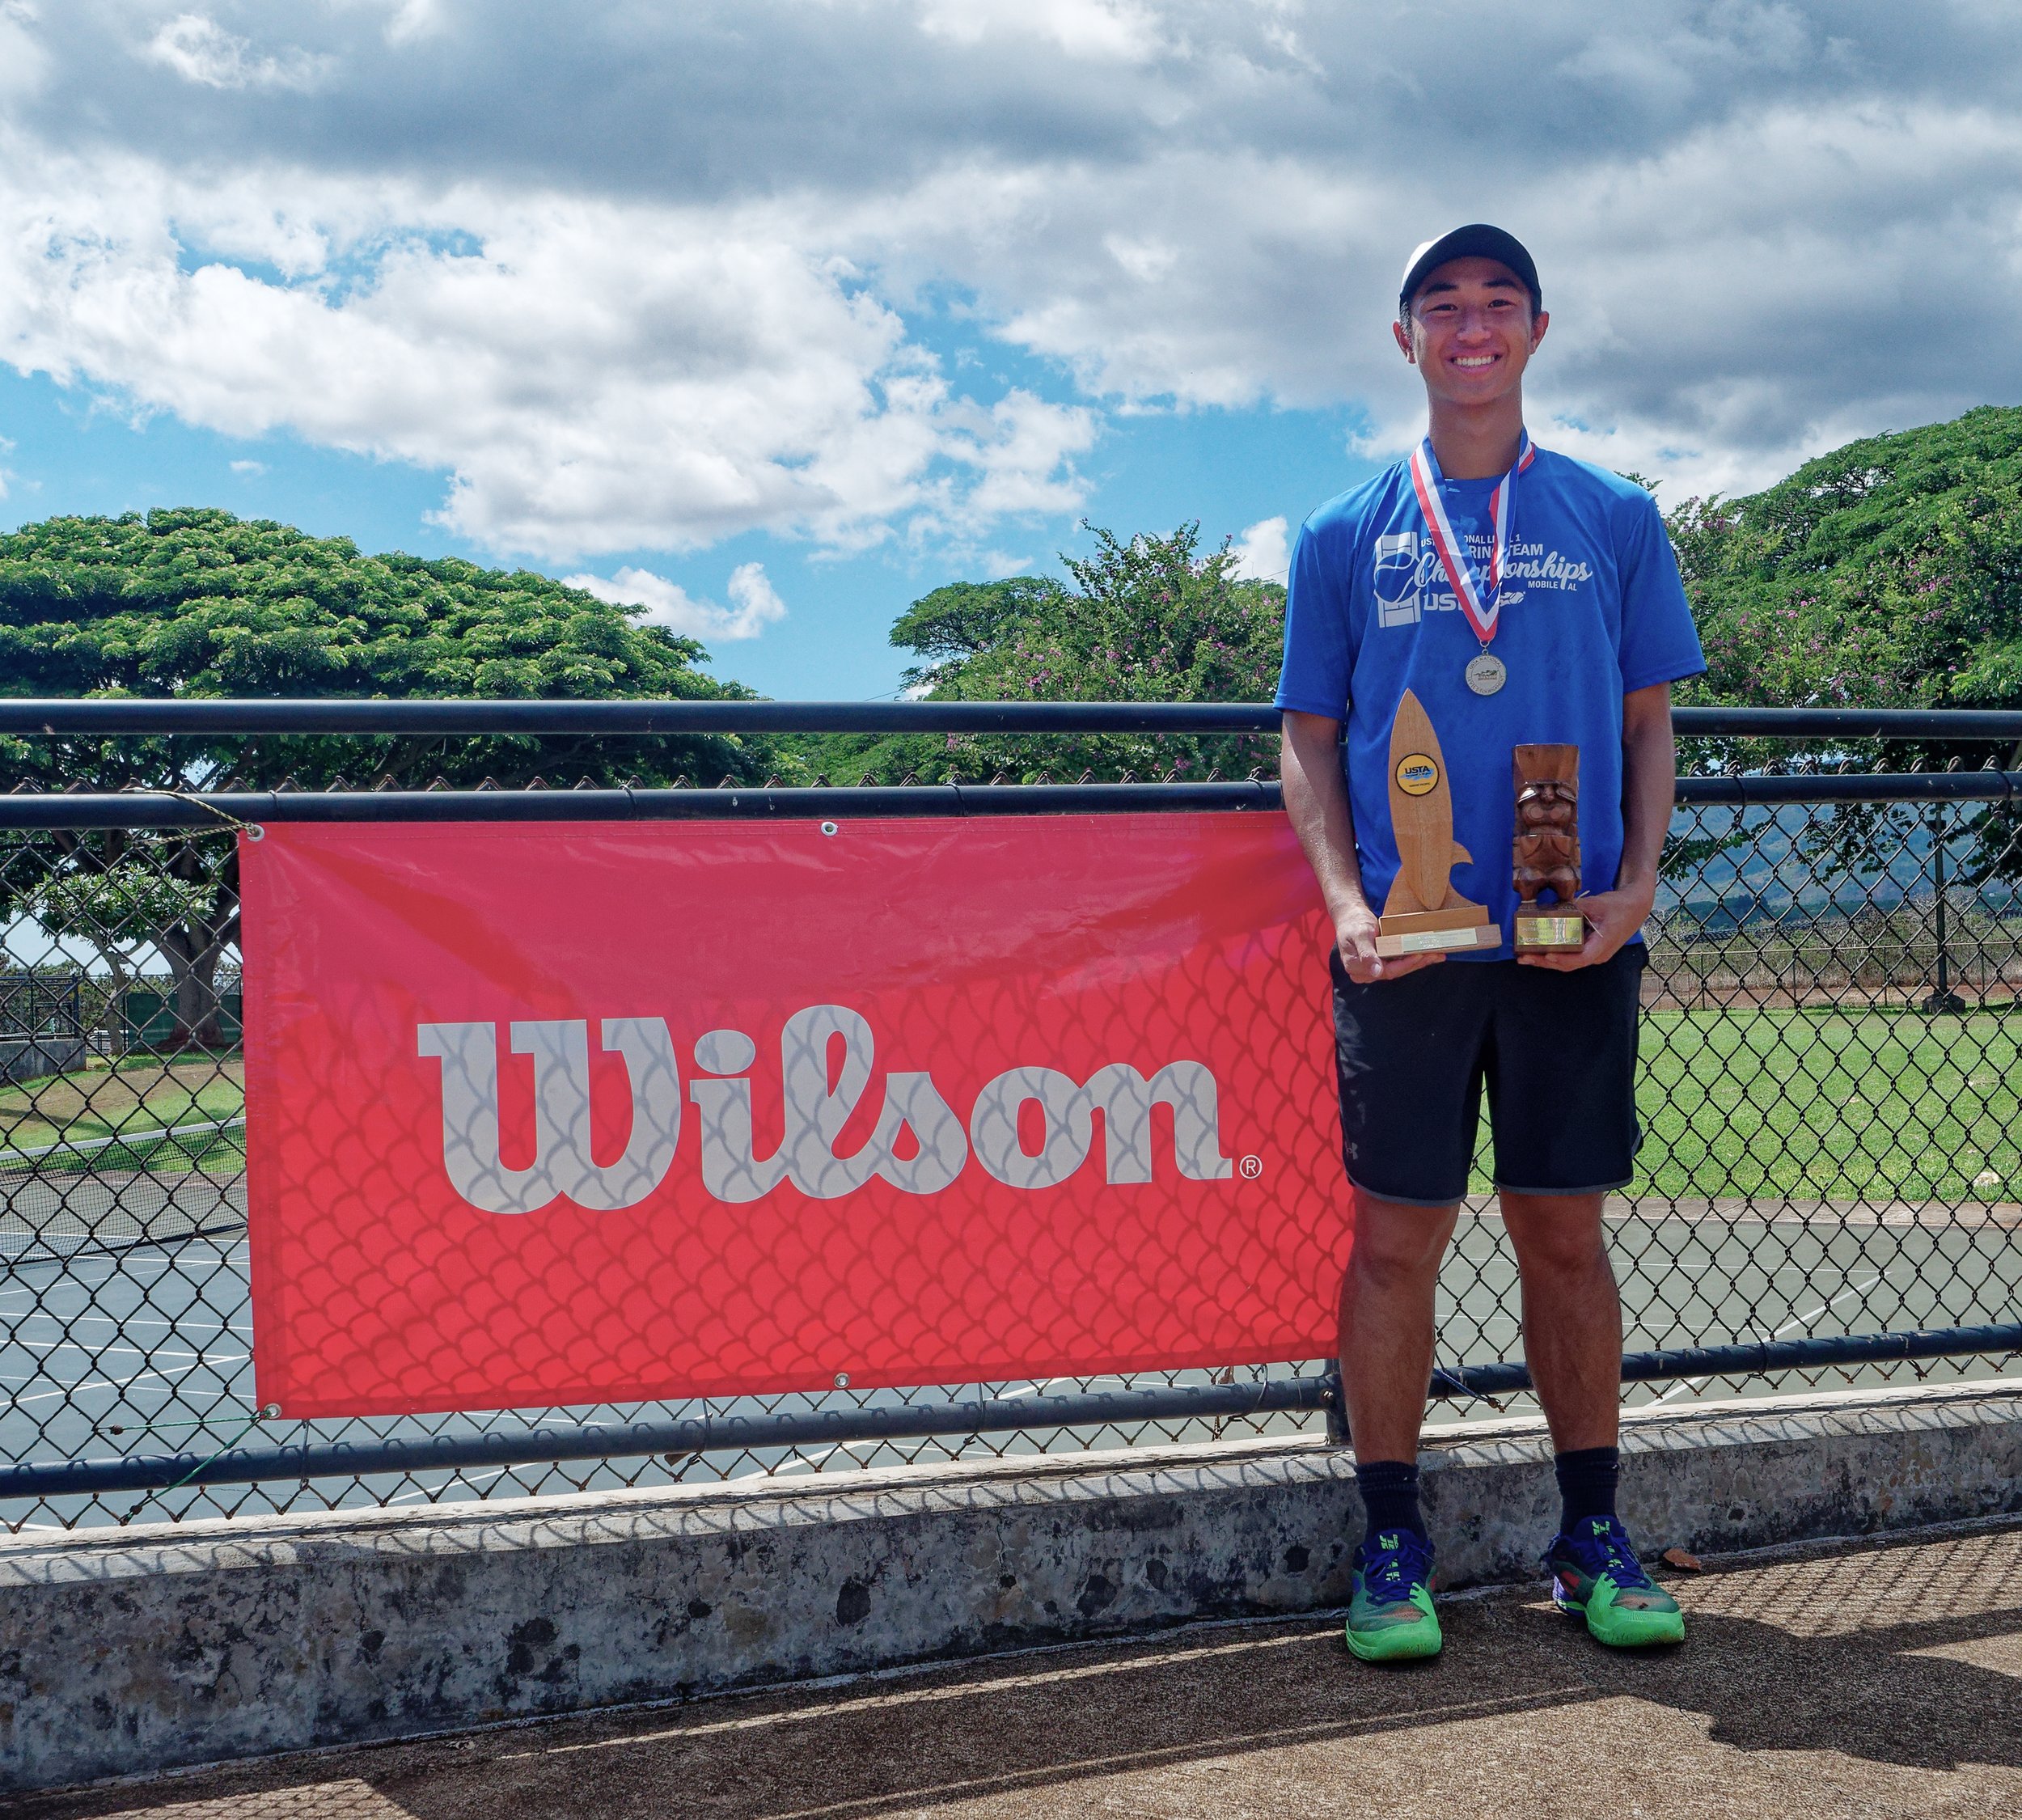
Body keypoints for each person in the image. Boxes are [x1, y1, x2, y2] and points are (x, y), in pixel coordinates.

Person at [1275, 224, 1705, 1662]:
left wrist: (1639, 882)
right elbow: (1309, 741)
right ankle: (1392, 1539)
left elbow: (1650, 720)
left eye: (1497, 303)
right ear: (1404, 340)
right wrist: (1344, 901)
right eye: (1441, 306)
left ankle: (1593, 1529)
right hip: (1406, 948)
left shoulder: (1614, 516)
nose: (1472, 326)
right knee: (1398, 1241)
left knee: (1564, 1235)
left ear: (1536, 329)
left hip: (1569, 933)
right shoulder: (1342, 532)